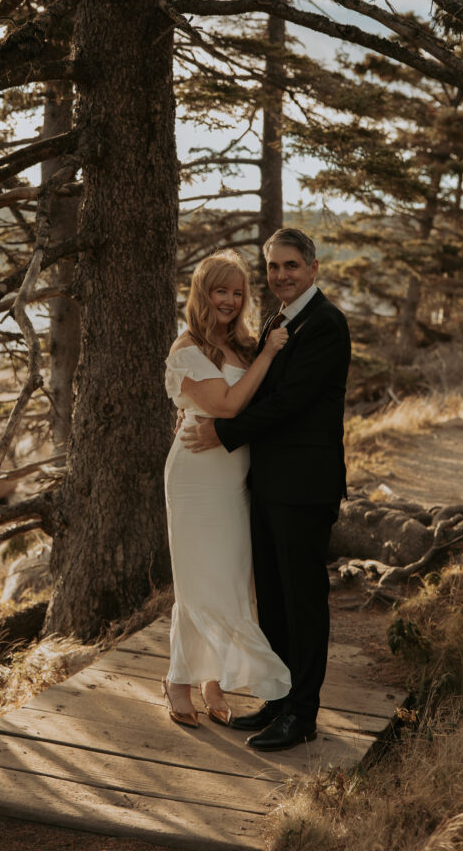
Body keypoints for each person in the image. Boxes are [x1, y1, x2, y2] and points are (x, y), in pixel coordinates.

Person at [182, 228, 351, 751]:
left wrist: (222, 431)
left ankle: (302, 714)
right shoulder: (279, 321)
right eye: (274, 266)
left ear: (313, 269)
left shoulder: (325, 324)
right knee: (274, 602)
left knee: (302, 602)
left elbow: (289, 403)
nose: (282, 274)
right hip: (267, 483)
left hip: (305, 486)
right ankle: (278, 700)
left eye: (292, 265)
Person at [163, 250, 292, 728]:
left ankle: (211, 680)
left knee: (232, 579)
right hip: (197, 477)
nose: (231, 301)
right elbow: (230, 406)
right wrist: (270, 353)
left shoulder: (242, 346)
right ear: (203, 292)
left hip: (235, 478)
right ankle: (179, 681)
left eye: (238, 293)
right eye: (221, 291)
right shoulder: (187, 349)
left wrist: (261, 352)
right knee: (200, 580)